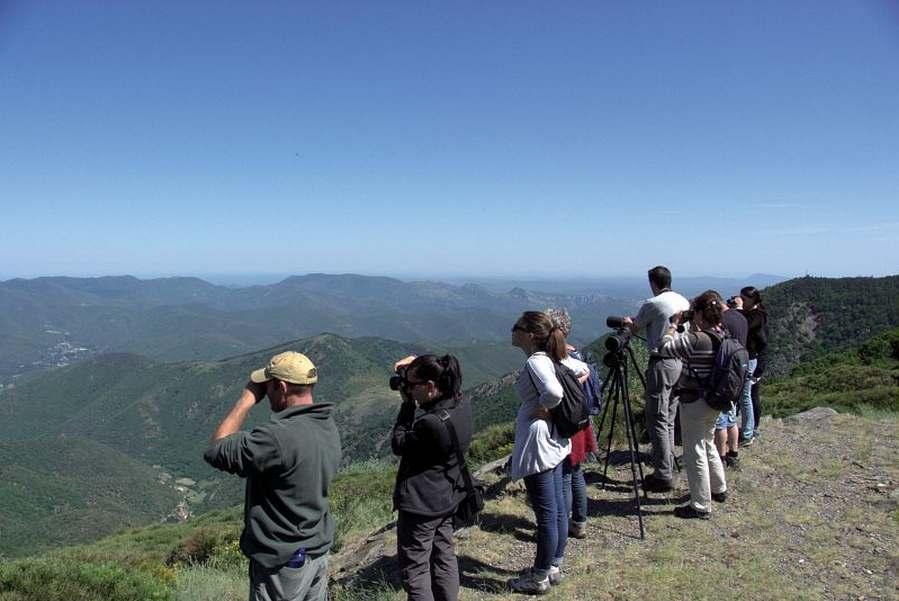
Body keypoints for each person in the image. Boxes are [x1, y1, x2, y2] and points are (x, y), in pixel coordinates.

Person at [204, 351, 342, 601]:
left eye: (267, 386)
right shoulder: (326, 425)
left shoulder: (277, 437)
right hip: (317, 550)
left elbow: (216, 450)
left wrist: (245, 401)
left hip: (283, 561)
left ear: (281, 386)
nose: (264, 391)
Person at [508, 311, 588, 594]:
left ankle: (539, 576)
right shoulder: (554, 357)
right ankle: (554, 564)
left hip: (540, 444)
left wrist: (545, 407)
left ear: (529, 335)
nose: (512, 330)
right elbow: (580, 370)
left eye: (516, 327)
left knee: (546, 513)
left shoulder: (536, 361)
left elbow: (554, 392)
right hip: (555, 442)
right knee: (554, 510)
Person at [391, 353, 472, 601]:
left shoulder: (430, 424)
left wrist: (406, 406)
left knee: (416, 570)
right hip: (447, 497)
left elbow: (398, 443)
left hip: (421, 506)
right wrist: (416, 368)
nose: (409, 390)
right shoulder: (461, 404)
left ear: (430, 386)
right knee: (444, 556)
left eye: (414, 385)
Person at [657, 292, 728, 519]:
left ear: (699, 314)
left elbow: (665, 348)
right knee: (708, 444)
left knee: (694, 451)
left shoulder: (697, 339)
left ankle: (700, 504)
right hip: (714, 399)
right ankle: (719, 489)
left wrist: (673, 326)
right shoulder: (721, 335)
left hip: (694, 400)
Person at [623, 265, 690, 492]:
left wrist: (628, 324)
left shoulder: (654, 303)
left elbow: (636, 327)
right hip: (681, 361)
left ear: (653, 283)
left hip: (662, 362)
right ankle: (668, 465)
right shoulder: (683, 300)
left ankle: (663, 475)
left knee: (657, 418)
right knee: (668, 417)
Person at [545, 307, 596, 540]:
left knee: (565, 475)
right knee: (576, 472)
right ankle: (579, 522)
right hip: (581, 420)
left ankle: (561, 527)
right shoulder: (579, 357)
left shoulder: (561, 360)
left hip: (566, 422)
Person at [712, 291, 748, 468]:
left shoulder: (723, 320)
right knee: (732, 419)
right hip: (738, 374)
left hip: (725, 374)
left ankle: (721, 457)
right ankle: (733, 453)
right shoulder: (741, 317)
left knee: (720, 423)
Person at [734, 286, 769, 444]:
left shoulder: (757, 315)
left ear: (753, 300)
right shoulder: (753, 314)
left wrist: (739, 309)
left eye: (744, 299)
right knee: (743, 395)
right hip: (747, 358)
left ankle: (748, 432)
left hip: (750, 358)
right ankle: (746, 429)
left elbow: (743, 325)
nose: (741, 301)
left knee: (746, 396)